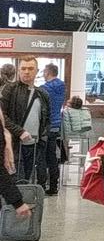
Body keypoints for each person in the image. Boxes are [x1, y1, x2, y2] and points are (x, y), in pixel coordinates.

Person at [0, 56, 50, 186]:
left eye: (30, 68)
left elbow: (46, 119)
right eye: (23, 68)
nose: (26, 72)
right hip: (13, 145)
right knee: (16, 183)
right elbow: (2, 116)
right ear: (18, 70)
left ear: (37, 71)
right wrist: (20, 131)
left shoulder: (42, 94)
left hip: (34, 145)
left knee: (27, 182)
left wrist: (42, 139)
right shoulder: (10, 89)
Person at [40, 64, 66, 195]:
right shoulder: (62, 86)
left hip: (46, 125)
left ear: (48, 72)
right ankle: (54, 186)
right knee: (52, 156)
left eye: (44, 71)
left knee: (42, 157)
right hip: (56, 124)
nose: (43, 74)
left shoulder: (44, 88)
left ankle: (41, 185)